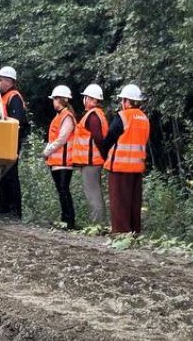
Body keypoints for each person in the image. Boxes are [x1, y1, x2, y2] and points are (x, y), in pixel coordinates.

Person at [99, 84, 149, 234]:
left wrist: (104, 153)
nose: (122, 103)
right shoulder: (144, 118)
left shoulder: (122, 116)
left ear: (127, 101)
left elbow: (109, 138)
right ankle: (134, 232)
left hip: (120, 167)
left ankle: (121, 233)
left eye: (122, 100)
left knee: (119, 202)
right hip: (137, 167)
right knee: (134, 203)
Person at [70, 84, 108, 226]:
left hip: (91, 162)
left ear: (91, 99)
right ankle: (100, 224)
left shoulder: (93, 117)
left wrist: (103, 155)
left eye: (86, 97)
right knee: (95, 193)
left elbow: (98, 138)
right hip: (92, 161)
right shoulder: (96, 115)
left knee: (93, 194)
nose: (84, 100)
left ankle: (97, 225)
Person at [42, 85, 78, 229]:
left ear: (62, 100)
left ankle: (69, 221)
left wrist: (46, 151)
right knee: (61, 191)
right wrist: (48, 152)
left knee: (64, 190)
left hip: (64, 161)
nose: (53, 102)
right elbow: (54, 139)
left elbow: (61, 139)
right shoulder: (60, 116)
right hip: (57, 161)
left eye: (55, 99)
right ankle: (65, 219)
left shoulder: (67, 116)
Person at [0, 66, 29, 218]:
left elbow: (17, 121)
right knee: (3, 175)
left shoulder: (14, 97)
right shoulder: (4, 96)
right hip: (4, 141)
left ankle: (14, 211)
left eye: (0, 79)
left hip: (12, 141)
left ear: (9, 82)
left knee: (11, 175)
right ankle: (4, 209)